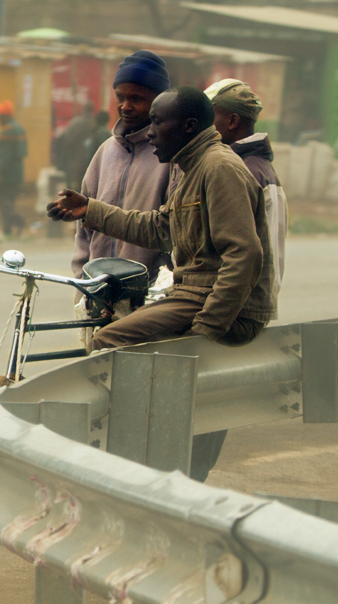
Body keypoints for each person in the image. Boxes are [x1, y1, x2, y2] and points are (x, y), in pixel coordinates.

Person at [48, 86, 279, 482]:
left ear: (188, 126)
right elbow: (159, 227)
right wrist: (92, 210)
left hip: (216, 303)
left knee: (110, 342)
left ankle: (134, 451)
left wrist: (206, 330)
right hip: (192, 295)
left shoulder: (218, 168)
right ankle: (149, 447)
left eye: (157, 121)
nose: (149, 131)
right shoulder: (193, 168)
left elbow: (245, 254)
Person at [72, 51, 173, 285]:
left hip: (148, 298)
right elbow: (83, 230)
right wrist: (82, 281)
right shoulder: (105, 152)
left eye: (136, 99)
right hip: (96, 291)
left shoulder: (171, 158)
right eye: (120, 97)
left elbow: (172, 233)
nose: (125, 106)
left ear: (158, 102)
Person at [205, 79, 287, 294]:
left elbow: (267, 258)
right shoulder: (225, 165)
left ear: (232, 121)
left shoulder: (252, 172)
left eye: (209, 118)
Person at [0, 100, 28, 237]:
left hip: (6, 174)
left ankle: (19, 220)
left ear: (4, 116)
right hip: (18, 172)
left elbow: (4, 157)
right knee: (10, 200)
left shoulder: (7, 131)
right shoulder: (19, 128)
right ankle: (7, 229)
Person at [56, 100, 96, 188]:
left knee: (75, 183)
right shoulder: (95, 122)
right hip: (92, 158)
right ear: (93, 109)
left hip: (76, 157)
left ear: (83, 109)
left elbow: (67, 138)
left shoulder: (77, 122)